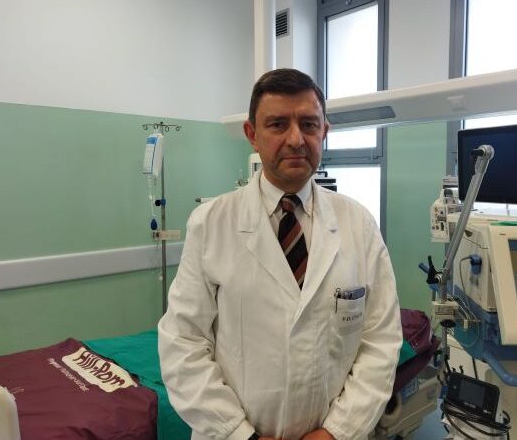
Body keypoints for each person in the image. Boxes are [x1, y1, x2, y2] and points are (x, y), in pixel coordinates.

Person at [158, 68, 402, 440]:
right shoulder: (210, 224)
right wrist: (240, 434)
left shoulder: (359, 224)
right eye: (277, 124)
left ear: (324, 132)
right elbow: (183, 342)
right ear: (252, 135)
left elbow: (381, 340)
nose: (296, 139)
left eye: (309, 124)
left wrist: (337, 432)